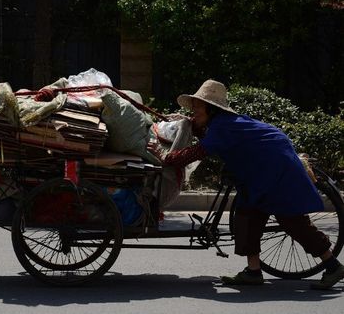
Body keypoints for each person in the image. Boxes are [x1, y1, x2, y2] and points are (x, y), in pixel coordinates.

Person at [147, 79, 344, 289]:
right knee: (247, 216)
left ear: (211, 109)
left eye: (197, 108)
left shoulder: (223, 127)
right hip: (258, 171)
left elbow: (195, 153)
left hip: (276, 167)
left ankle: (333, 266)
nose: (193, 113)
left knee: (292, 221)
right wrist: (185, 124)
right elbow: (205, 136)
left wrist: (163, 156)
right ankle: (253, 271)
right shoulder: (219, 123)